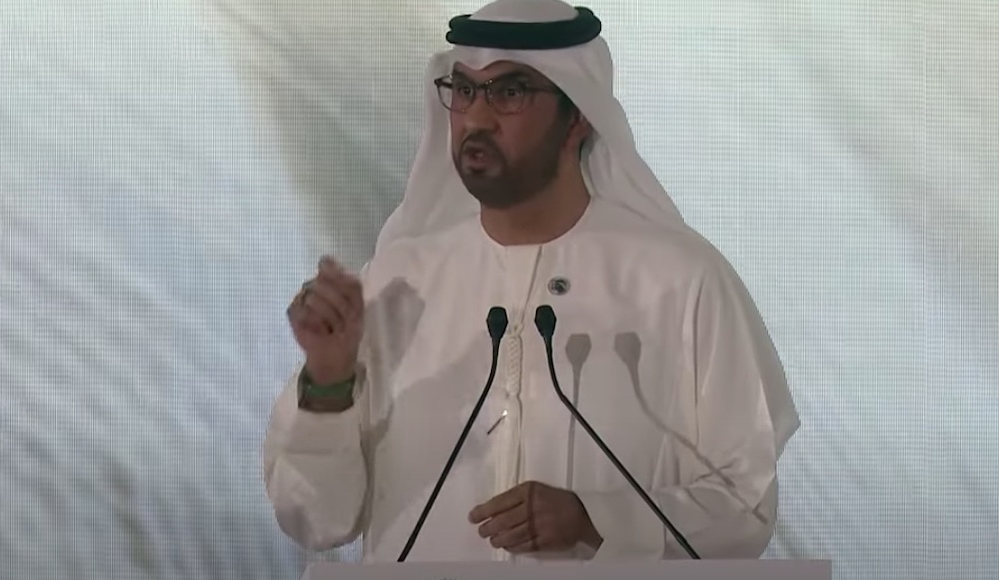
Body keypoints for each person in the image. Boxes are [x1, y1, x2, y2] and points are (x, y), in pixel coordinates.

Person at [263, 0, 799, 563]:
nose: (476, 118)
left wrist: (598, 519)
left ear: (578, 115)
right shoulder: (399, 282)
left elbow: (746, 505)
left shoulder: (681, 282)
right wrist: (328, 384)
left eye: (510, 92)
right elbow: (315, 519)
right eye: (464, 91)